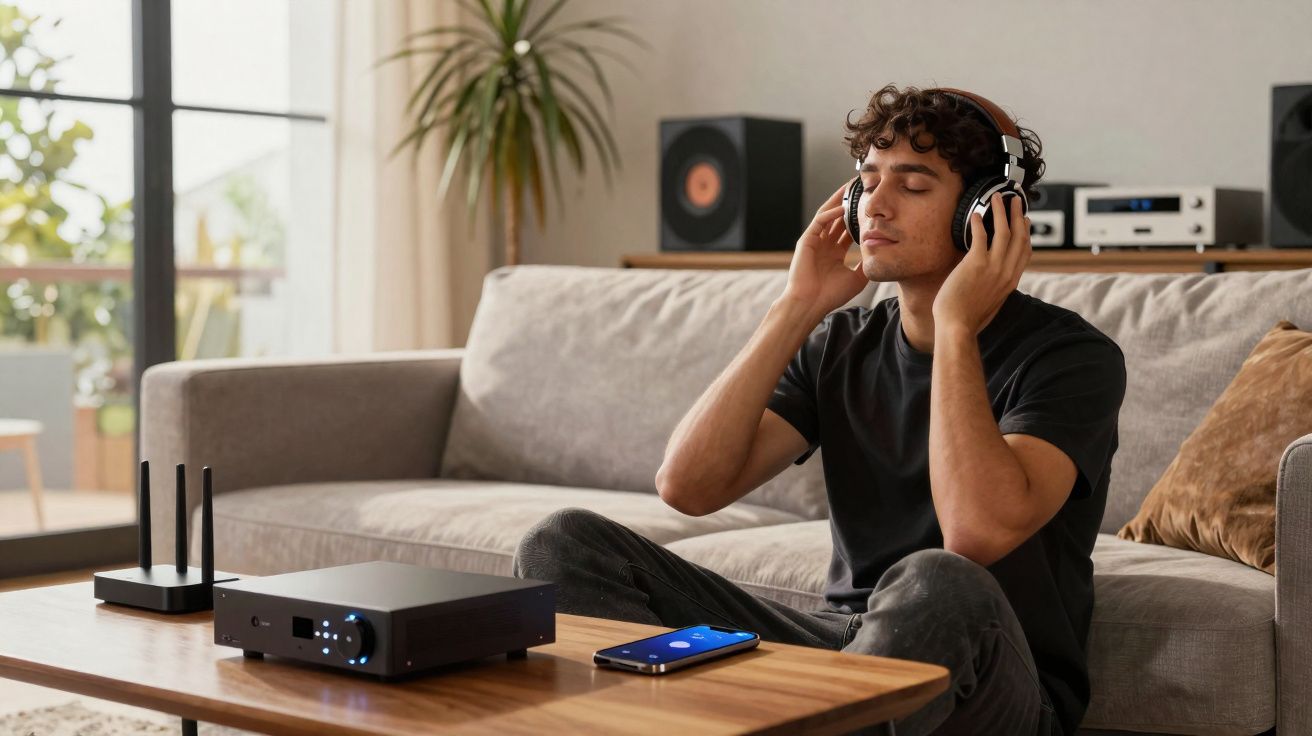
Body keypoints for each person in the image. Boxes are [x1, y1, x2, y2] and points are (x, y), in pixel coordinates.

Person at [512, 84, 1127, 736]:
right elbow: (688, 486)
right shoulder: (840, 343)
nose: (876, 206)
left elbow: (975, 532)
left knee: (939, 580)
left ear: (985, 212)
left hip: (995, 680)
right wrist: (797, 303)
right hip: (838, 654)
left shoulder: (1071, 358)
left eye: (913, 187)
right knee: (563, 543)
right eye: (867, 180)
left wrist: (954, 328)